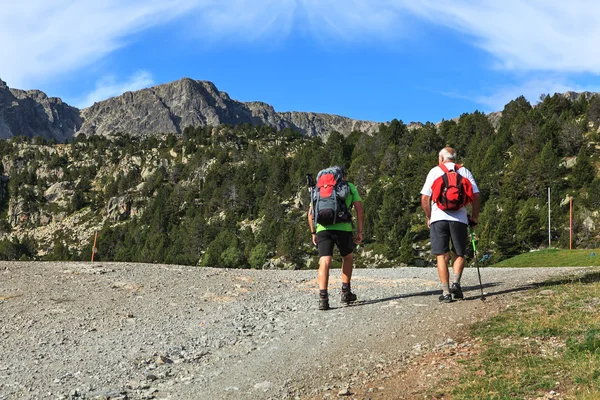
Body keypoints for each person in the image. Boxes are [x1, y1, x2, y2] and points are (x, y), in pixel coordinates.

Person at [420, 147, 480, 303]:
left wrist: (429, 216)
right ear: (454, 158)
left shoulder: (435, 171)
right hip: (459, 218)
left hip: (438, 218)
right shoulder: (464, 171)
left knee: (442, 255)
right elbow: (476, 195)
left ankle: (446, 292)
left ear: (441, 158)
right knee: (459, 253)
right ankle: (456, 284)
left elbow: (425, 198)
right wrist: (474, 217)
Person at [308, 166, 364, 311]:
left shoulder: (319, 189)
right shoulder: (349, 186)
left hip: (322, 229)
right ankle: (345, 292)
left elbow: (310, 213)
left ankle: (323, 298)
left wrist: (313, 232)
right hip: (343, 228)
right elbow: (359, 209)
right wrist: (359, 231)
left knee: (324, 261)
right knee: (347, 257)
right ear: (342, 176)